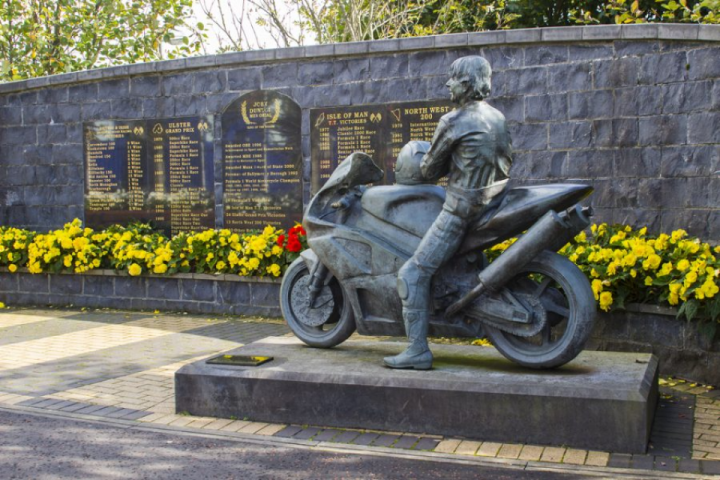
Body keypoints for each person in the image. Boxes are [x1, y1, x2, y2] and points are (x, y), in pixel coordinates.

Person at [384, 56, 513, 370]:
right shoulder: (497, 117)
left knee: (411, 274)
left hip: (461, 211)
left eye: (452, 79)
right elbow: (508, 158)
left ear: (466, 83)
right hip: (493, 202)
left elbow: (428, 170)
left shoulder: (454, 121)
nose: (447, 84)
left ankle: (416, 350)